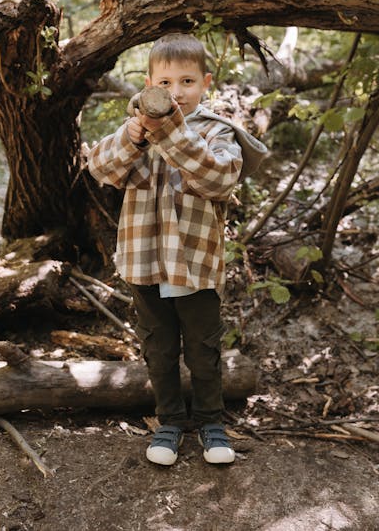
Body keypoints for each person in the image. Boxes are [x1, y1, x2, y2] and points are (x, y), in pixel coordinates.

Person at [87, 33, 266, 466]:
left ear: (206, 83)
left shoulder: (217, 131)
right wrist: (135, 136)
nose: (176, 92)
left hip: (195, 264)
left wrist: (170, 132)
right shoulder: (134, 132)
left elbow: (219, 178)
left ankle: (210, 423)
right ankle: (168, 422)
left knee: (203, 349)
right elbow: (100, 169)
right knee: (158, 348)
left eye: (187, 81)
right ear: (149, 83)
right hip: (144, 260)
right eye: (165, 83)